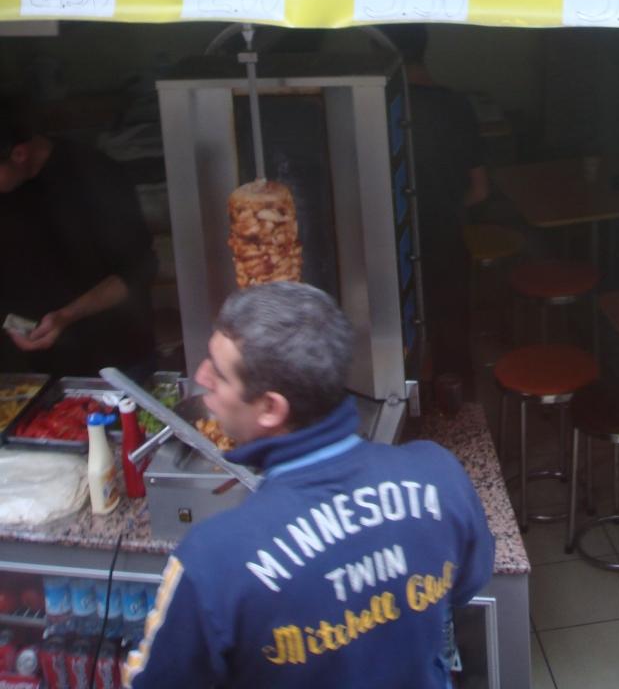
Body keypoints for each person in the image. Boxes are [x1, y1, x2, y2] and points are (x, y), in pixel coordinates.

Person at [123, 282, 495, 689]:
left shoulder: (211, 562)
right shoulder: (439, 475)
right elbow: (465, 585)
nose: (201, 376)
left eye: (219, 374)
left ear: (271, 408)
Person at [0, 96, 157, 376]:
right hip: (31, 370)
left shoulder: (96, 175)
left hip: (114, 359)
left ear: (19, 154)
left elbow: (138, 270)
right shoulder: (7, 185)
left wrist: (66, 316)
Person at [381, 25, 488, 388]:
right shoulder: (456, 106)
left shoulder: (380, 110)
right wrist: (446, 206)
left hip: (391, 249)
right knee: (452, 339)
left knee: (399, 347)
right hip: (447, 241)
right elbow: (480, 190)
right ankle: (457, 402)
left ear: (382, 53)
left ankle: (410, 404)